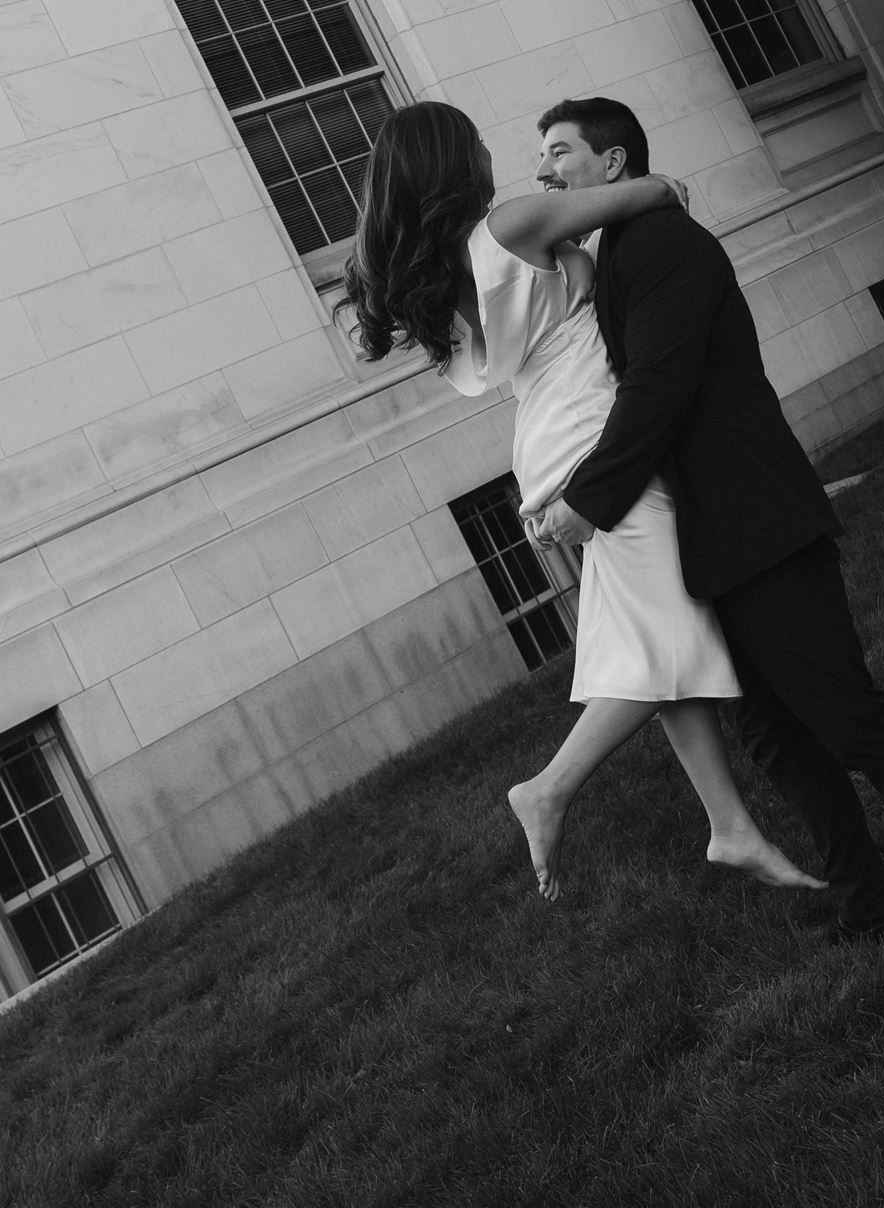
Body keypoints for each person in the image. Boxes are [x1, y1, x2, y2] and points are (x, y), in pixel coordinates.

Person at [532, 97, 884, 959]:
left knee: (853, 724)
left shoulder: (662, 242)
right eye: (542, 159)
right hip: (704, 541)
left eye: (560, 153)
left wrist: (583, 500)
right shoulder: (622, 252)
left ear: (614, 162)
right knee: (782, 743)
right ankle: (871, 909)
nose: (546, 172)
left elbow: (658, 388)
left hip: (757, 523)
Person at [342, 101, 826, 904]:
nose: (505, 159)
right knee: (667, 638)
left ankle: (730, 828)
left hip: (552, 442)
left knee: (655, 632)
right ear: (455, 164)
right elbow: (651, 191)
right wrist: (613, 192)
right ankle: (549, 788)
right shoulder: (510, 226)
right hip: (592, 449)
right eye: (478, 143)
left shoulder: (445, 270)